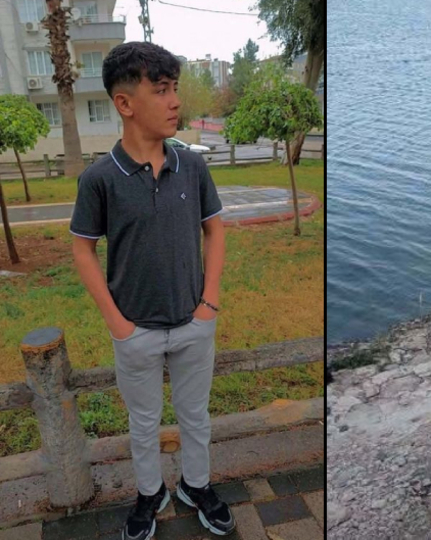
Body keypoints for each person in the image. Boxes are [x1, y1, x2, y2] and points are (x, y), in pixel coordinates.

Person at [69, 43, 235, 540]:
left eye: (174, 89)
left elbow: (216, 230)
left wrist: (208, 304)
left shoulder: (192, 166)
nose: (174, 102)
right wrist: (117, 322)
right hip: (135, 330)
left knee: (195, 416)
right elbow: (82, 250)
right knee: (142, 423)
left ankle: (195, 484)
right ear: (125, 104)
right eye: (160, 90)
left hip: (192, 323)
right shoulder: (100, 180)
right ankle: (149, 495)